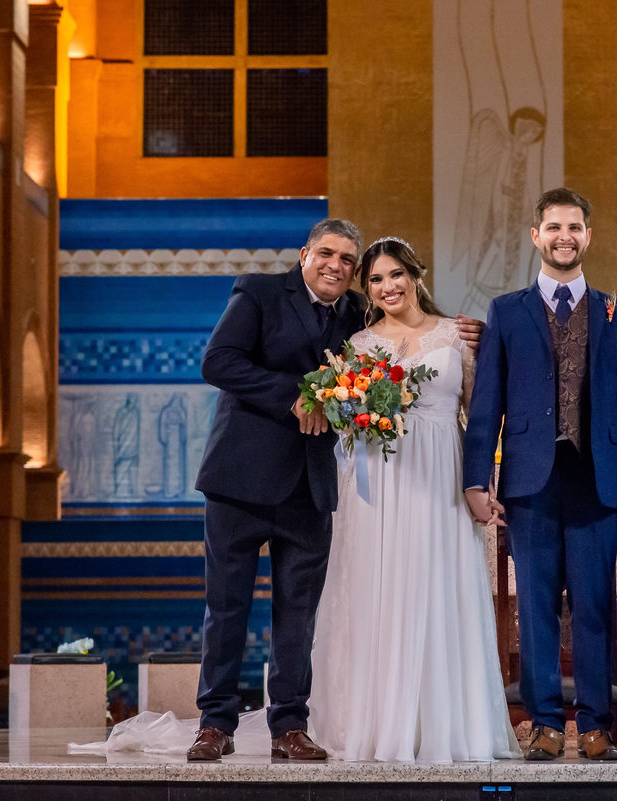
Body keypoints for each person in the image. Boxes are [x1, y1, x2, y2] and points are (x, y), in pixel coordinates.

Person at [187, 219, 484, 761]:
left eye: (349, 262)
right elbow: (218, 362)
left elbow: (403, 352)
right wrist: (296, 396)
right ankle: (215, 724)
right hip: (240, 479)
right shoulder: (257, 292)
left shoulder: (357, 317)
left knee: (299, 611)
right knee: (226, 606)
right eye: (328, 254)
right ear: (305, 253)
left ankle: (289, 727)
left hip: (313, 485)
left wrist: (470, 336)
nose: (337, 267)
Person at [307, 237, 520, 763]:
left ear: (416, 275)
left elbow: (481, 418)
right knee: (380, 590)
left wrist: (480, 483)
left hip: (440, 478)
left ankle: (446, 724)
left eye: (396, 275)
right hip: (379, 484)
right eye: (376, 280)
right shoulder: (357, 345)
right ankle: (381, 724)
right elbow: (342, 420)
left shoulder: (459, 335)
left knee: (436, 587)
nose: (388, 287)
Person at [463, 188, 617, 761]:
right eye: (553, 227)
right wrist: (477, 480)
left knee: (594, 607)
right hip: (529, 481)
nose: (564, 237)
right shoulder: (506, 311)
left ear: (587, 237)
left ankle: (596, 722)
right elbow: (486, 404)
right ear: (535, 236)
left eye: (574, 227)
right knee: (537, 606)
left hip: (595, 477)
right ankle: (544, 723)